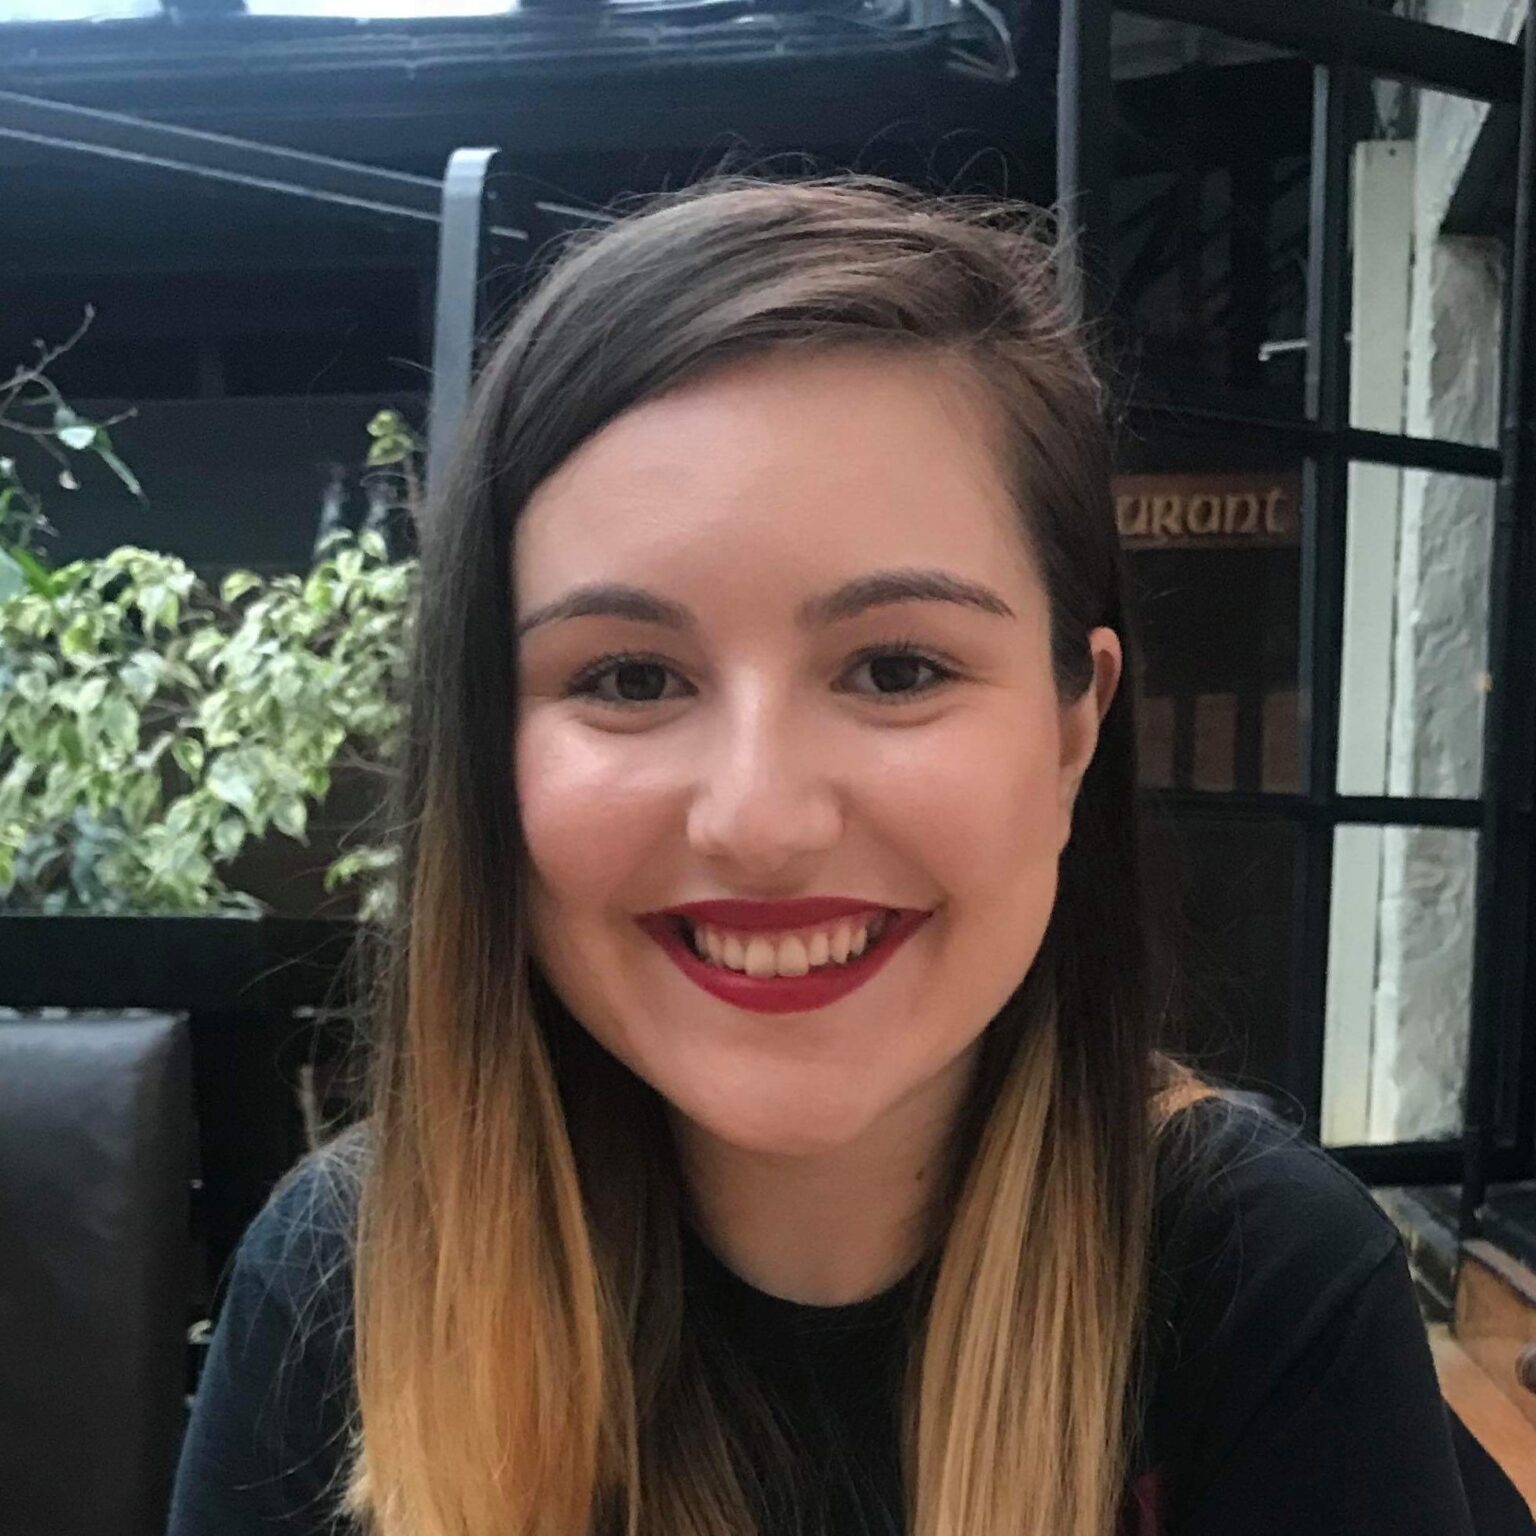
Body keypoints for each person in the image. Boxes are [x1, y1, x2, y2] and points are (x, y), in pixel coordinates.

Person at [167, 174, 1485, 1536]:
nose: (758, 818)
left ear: (1073, 730)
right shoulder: (345, 1283)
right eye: (630, 678)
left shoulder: (1262, 1285)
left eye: (897, 667)